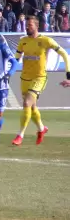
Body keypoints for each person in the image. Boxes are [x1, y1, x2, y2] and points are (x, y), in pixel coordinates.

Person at [12, 16, 70, 146]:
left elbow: (64, 54)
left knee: (27, 103)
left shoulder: (46, 40)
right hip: (24, 78)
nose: (27, 27)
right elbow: (16, 59)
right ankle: (41, 129)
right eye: (27, 25)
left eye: (30, 25)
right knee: (31, 107)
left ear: (37, 26)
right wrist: (8, 71)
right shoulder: (23, 41)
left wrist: (68, 75)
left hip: (39, 78)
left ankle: (20, 135)